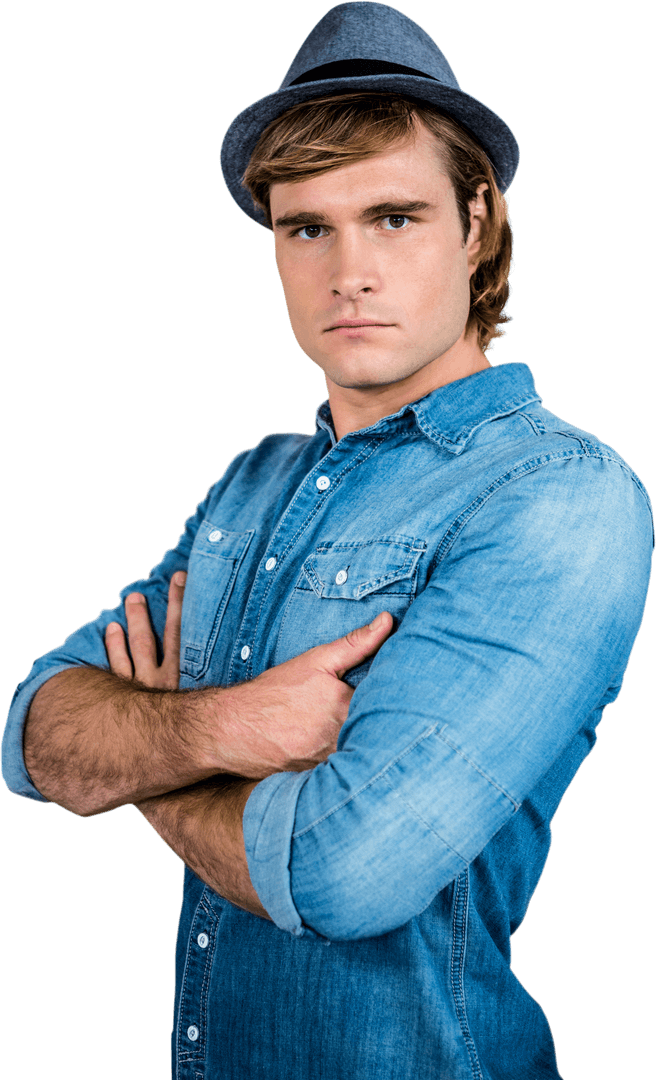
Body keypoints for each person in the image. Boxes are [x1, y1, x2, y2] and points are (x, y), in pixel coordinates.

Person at [2, 3, 652, 1078]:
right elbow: (36, 736)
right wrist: (238, 725)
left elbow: (343, 874)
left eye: (392, 216)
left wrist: (154, 759)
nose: (346, 269)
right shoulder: (251, 486)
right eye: (307, 227)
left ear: (476, 220)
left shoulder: (557, 498)